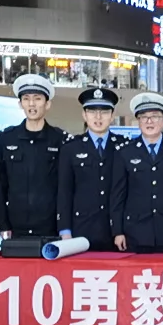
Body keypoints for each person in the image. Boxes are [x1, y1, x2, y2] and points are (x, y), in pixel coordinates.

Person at [0, 73, 68, 240]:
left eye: (37, 99)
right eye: (26, 99)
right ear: (20, 104)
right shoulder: (6, 139)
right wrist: (2, 224)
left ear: (47, 104)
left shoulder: (60, 139)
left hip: (51, 227)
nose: (31, 104)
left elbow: (66, 187)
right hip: (15, 227)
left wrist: (65, 227)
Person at [111, 92, 163, 253]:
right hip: (134, 232)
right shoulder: (125, 152)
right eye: (144, 117)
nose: (149, 121)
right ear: (138, 122)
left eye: (155, 116)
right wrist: (117, 231)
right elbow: (117, 195)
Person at [57, 86, 124, 247]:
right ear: (84, 115)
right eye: (92, 111)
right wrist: (65, 230)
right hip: (81, 229)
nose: (98, 117)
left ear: (112, 115)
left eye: (104, 112)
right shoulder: (71, 148)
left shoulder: (123, 147)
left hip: (115, 231)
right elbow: (64, 192)